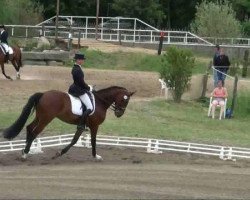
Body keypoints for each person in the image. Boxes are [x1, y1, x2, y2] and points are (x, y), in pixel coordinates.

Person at [68, 53, 93, 131]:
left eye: (83, 60)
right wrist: (88, 87)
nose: (83, 61)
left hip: (75, 87)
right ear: (78, 60)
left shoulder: (76, 68)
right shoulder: (77, 70)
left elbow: (80, 82)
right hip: (78, 90)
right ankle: (81, 125)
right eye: (82, 60)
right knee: (90, 107)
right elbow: (81, 83)